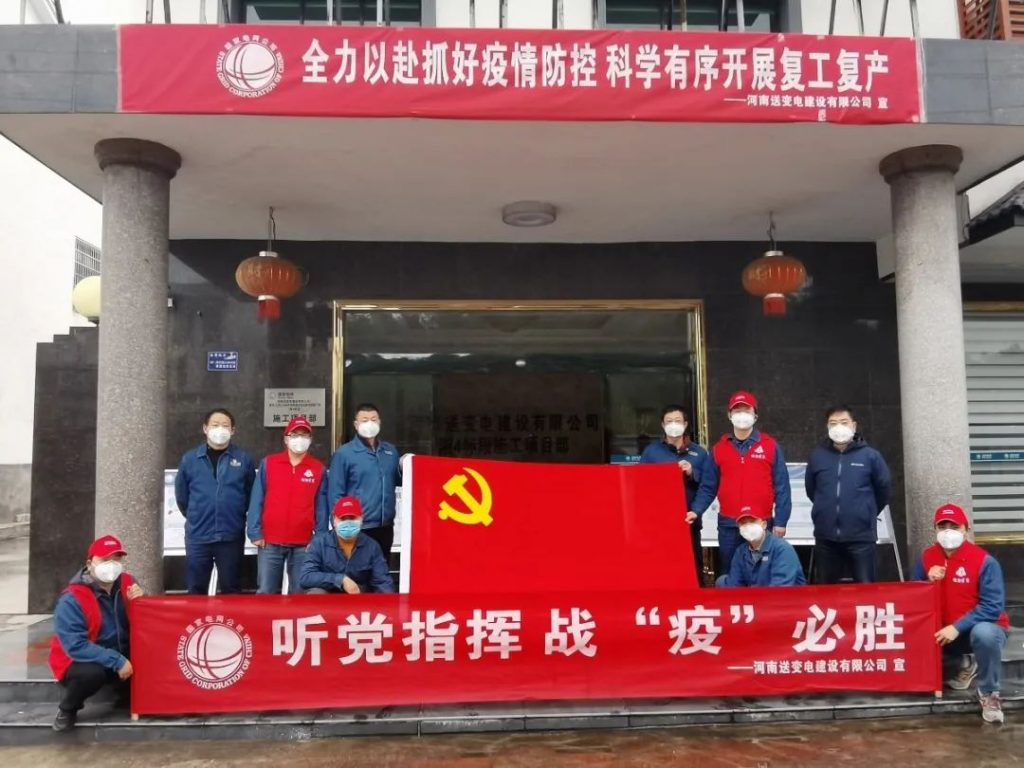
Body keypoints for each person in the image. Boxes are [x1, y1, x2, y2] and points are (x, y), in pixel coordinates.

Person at [913, 503, 1009, 724]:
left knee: (984, 634)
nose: (948, 531)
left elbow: (992, 606)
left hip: (977, 628)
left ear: (966, 529)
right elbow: (911, 596)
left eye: (954, 526)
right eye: (942, 526)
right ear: (935, 529)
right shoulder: (927, 557)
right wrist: (926, 580)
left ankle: (989, 693)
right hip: (942, 632)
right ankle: (965, 663)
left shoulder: (984, 561)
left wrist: (957, 627)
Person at [49, 535, 145, 732]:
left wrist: (142, 603)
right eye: (105, 559)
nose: (111, 565)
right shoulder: (72, 598)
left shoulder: (128, 584)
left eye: (116, 559)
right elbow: (76, 646)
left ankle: (125, 696)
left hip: (122, 652)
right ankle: (68, 708)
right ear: (90, 564)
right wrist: (117, 660)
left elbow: (146, 625)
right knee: (90, 674)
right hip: (83, 659)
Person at [690, 391, 792, 575]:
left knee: (762, 574)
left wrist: (781, 521)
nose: (742, 415)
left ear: (755, 415)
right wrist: (696, 510)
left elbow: (782, 487)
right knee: (731, 574)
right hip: (729, 525)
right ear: (729, 415)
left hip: (761, 523)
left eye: (747, 410)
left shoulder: (770, 446)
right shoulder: (719, 449)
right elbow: (708, 487)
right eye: (737, 411)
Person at [806, 405, 892, 583]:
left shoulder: (870, 456)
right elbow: (812, 490)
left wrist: (864, 511)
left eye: (844, 422)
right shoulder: (817, 456)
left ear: (854, 425)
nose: (839, 427)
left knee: (865, 589)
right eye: (833, 423)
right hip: (826, 537)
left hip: (861, 537)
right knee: (826, 591)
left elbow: (883, 490)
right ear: (827, 427)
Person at [174, 408, 255, 595]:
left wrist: (235, 513)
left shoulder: (243, 459)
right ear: (205, 428)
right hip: (198, 535)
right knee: (196, 589)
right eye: (215, 425)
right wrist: (197, 514)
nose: (220, 429)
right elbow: (182, 497)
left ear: (233, 430)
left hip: (230, 535)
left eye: (225, 425)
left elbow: (250, 493)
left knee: (232, 589)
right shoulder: (190, 459)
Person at [246, 416, 328, 594]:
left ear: (310, 440)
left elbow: (321, 507)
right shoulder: (269, 463)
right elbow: (257, 498)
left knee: (300, 592)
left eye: (304, 435)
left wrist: (319, 538)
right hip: (269, 541)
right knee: (266, 591)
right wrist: (254, 531)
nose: (300, 439)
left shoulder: (318, 469)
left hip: (303, 543)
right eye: (295, 435)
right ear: (286, 438)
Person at [640, 404, 709, 585]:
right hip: (659, 525)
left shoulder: (700, 453)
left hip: (689, 521)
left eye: (677, 421)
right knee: (660, 570)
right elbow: (640, 486)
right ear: (663, 425)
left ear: (685, 424)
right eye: (669, 421)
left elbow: (707, 486)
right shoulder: (651, 453)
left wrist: (692, 473)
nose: (673, 424)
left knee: (693, 568)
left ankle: (696, 600)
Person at [327, 403, 401, 560]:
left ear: (379, 422)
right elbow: (335, 492)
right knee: (357, 571)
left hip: (385, 526)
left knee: (381, 570)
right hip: (356, 526)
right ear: (356, 424)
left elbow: (399, 481)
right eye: (365, 420)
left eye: (373, 419)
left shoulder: (390, 452)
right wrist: (341, 525)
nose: (370, 423)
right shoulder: (344, 454)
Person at [300, 496, 396, 594]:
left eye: (352, 518)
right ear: (334, 520)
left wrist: (388, 601)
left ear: (361, 519)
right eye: (343, 518)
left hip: (359, 598)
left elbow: (382, 582)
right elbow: (306, 577)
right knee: (315, 593)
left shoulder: (372, 547)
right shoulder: (319, 544)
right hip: (328, 599)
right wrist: (341, 580)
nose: (348, 523)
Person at [716, 512, 806, 587]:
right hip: (759, 600)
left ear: (764, 525)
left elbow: (780, 589)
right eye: (743, 523)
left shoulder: (782, 549)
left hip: (787, 601)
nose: (747, 526)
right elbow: (734, 586)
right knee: (721, 581)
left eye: (752, 521)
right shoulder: (741, 552)